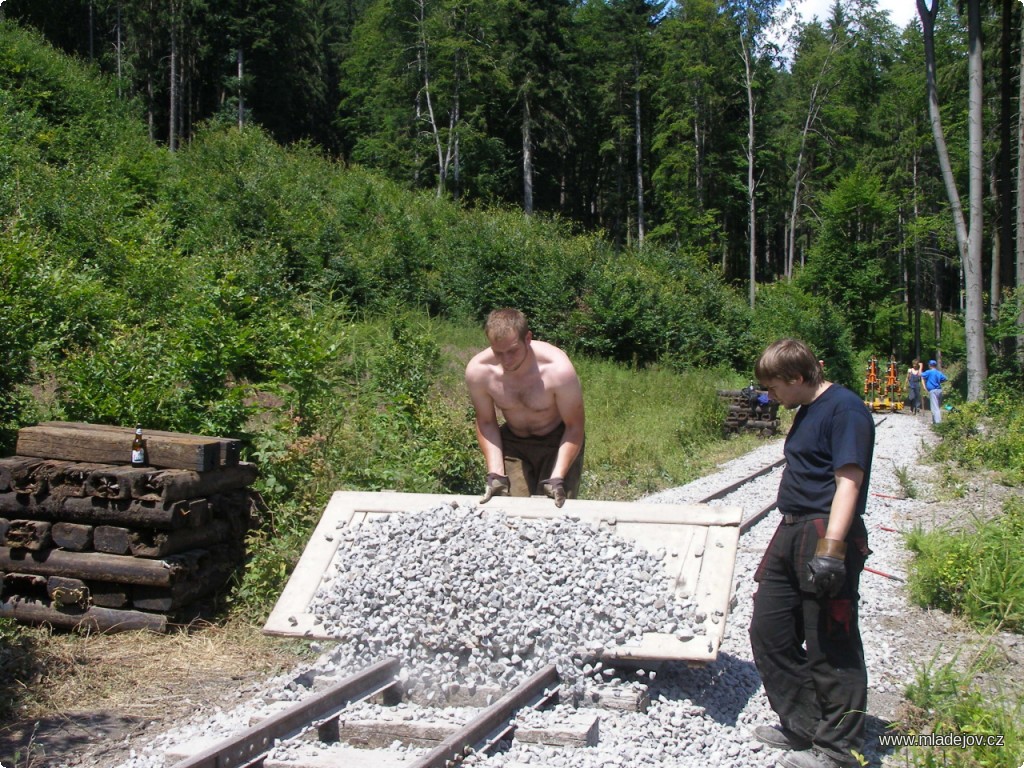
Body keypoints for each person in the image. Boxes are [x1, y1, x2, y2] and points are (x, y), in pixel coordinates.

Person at [749, 338, 874, 768]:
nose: (771, 396)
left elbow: (849, 482)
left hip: (824, 530)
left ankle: (840, 749)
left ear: (799, 378)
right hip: (792, 528)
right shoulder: (807, 408)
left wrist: (832, 550)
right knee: (770, 631)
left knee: (830, 642)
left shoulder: (846, 410)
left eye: (775, 387)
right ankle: (805, 724)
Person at [465, 308, 585, 507]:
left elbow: (575, 426)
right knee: (512, 511)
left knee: (556, 511)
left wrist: (557, 477)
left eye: (512, 351)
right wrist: (496, 473)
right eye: (498, 352)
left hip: (558, 440)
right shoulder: (479, 371)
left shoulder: (558, 370)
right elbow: (486, 421)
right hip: (514, 442)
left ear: (528, 338)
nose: (506, 360)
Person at [920, 359, 948, 424]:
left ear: (930, 365)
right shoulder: (938, 372)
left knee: (935, 407)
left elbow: (920, 374)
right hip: (939, 390)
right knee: (937, 406)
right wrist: (939, 381)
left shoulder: (929, 372)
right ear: (935, 365)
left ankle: (938, 423)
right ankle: (934, 421)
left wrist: (921, 367)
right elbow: (945, 379)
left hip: (933, 391)